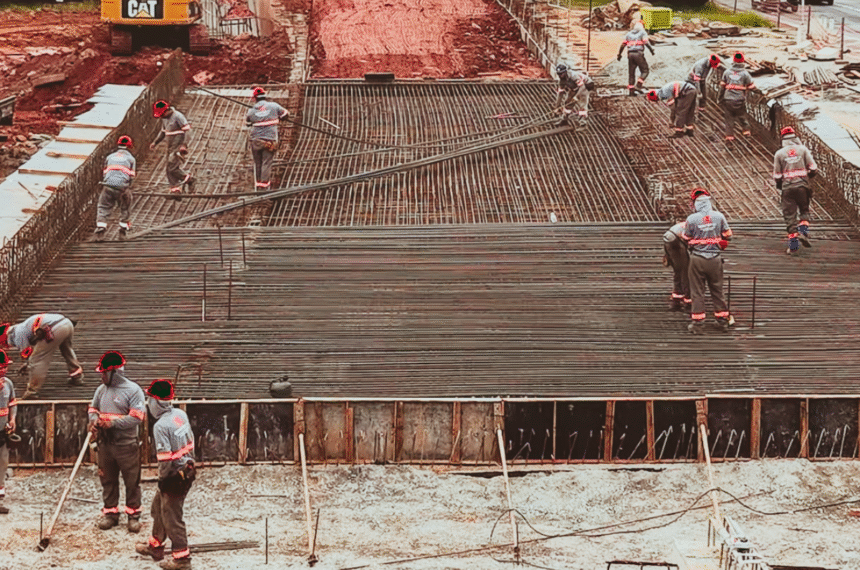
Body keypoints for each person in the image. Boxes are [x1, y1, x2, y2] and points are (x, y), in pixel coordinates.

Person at [136, 379, 196, 570]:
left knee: (172, 518)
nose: (148, 403)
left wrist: (163, 480)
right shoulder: (180, 414)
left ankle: (182, 559)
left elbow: (165, 460)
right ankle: (156, 546)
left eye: (150, 399)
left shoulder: (161, 425)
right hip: (187, 469)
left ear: (157, 402)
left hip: (174, 476)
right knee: (158, 508)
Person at [88, 350, 146, 532]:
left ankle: (133, 515)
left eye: (104, 372)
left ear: (115, 372)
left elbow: (137, 417)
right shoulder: (101, 390)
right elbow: (92, 409)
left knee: (131, 482)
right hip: (106, 445)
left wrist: (112, 424)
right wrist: (93, 421)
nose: (101, 376)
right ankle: (111, 514)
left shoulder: (133, 391)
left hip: (126, 445)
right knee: (107, 480)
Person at [682, 188, 733, 334]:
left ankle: (698, 324)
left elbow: (685, 238)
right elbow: (728, 236)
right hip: (715, 259)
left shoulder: (691, 219)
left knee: (697, 292)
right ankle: (722, 320)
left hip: (697, 259)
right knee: (717, 290)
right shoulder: (719, 216)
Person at [0, 314, 83, 400]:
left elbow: (28, 353)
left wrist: (28, 364)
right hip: (67, 323)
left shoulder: (17, 334)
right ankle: (77, 376)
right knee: (67, 351)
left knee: (37, 360)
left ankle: (32, 392)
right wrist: (27, 364)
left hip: (54, 329)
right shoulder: (21, 327)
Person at [773, 126, 817, 254]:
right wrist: (808, 177)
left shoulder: (779, 154)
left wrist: (780, 184)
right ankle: (803, 232)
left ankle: (793, 246)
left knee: (790, 216)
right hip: (802, 187)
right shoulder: (803, 150)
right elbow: (813, 167)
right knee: (804, 210)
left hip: (788, 189)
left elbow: (777, 175)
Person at [246, 86, 289, 191]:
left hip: (255, 141)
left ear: (255, 98)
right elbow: (286, 114)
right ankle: (265, 188)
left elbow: (248, 123)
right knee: (266, 163)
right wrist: (277, 118)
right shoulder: (274, 106)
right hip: (269, 140)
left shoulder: (251, 111)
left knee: (258, 163)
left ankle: (258, 186)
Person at [150, 100, 194, 201]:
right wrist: (155, 142)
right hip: (169, 146)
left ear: (167, 110)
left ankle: (189, 179)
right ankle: (175, 190)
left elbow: (188, 131)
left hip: (177, 146)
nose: (161, 116)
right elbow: (163, 132)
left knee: (172, 167)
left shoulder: (178, 116)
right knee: (168, 168)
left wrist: (184, 145)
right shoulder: (164, 119)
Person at [96, 135, 136, 239]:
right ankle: (122, 228)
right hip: (122, 188)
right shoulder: (131, 159)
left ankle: (101, 226)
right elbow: (131, 176)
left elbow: (105, 173)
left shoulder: (110, 157)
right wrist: (127, 187)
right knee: (126, 206)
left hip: (108, 186)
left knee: (103, 206)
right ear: (130, 146)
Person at [719, 52, 755, 142]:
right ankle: (747, 132)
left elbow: (722, 86)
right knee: (742, 116)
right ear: (743, 61)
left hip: (728, 99)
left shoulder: (727, 72)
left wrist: (720, 98)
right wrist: (744, 88)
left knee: (729, 119)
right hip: (739, 99)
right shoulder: (745, 74)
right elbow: (752, 86)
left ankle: (729, 137)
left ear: (733, 61)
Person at [617, 21, 655, 96]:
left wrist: (619, 54)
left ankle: (631, 92)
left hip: (630, 54)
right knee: (645, 71)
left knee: (631, 73)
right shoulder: (642, 33)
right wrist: (651, 50)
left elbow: (623, 45)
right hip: (638, 54)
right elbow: (646, 42)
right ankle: (638, 86)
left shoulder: (628, 34)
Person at [0, 350, 17, 515]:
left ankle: (0, 491)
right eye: (1, 367)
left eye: (5, 367)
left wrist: (12, 420)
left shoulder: (8, 384)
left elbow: (12, 403)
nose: (3, 371)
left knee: (3, 461)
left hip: (3, 430)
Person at [554, 63, 594, 128]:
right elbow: (560, 93)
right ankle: (564, 120)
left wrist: (576, 97)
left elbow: (582, 87)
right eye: (558, 74)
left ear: (565, 72)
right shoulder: (561, 80)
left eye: (561, 74)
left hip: (585, 86)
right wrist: (557, 106)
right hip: (575, 88)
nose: (560, 75)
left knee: (582, 103)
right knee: (568, 102)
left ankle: (583, 123)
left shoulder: (573, 76)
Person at [663, 221, 691, 312]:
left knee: (678, 269)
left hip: (668, 238)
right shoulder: (696, 225)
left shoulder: (688, 223)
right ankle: (688, 300)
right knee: (685, 271)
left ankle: (677, 297)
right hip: (675, 240)